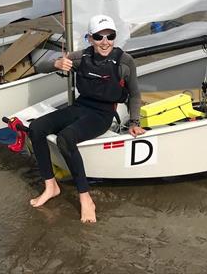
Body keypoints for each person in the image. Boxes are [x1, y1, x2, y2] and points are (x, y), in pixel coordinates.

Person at [27, 14, 146, 223]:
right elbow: (39, 67)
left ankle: (86, 199)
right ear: (90, 38)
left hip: (103, 114)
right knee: (36, 128)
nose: (105, 42)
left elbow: (135, 94)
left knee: (65, 138)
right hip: (81, 107)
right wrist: (56, 63)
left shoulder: (125, 61)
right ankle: (51, 186)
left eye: (110, 36)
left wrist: (135, 123)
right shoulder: (81, 57)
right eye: (99, 37)